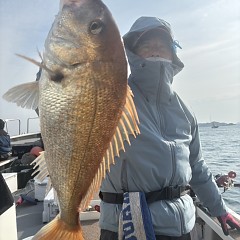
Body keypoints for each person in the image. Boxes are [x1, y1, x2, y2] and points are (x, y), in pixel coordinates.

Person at [99, 17, 240, 239]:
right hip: (125, 225)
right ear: (133, 53)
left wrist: (220, 209)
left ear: (173, 53)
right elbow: (69, 109)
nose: (155, 50)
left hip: (180, 227)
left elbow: (198, 168)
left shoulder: (184, 111)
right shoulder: (112, 99)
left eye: (162, 46)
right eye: (146, 45)